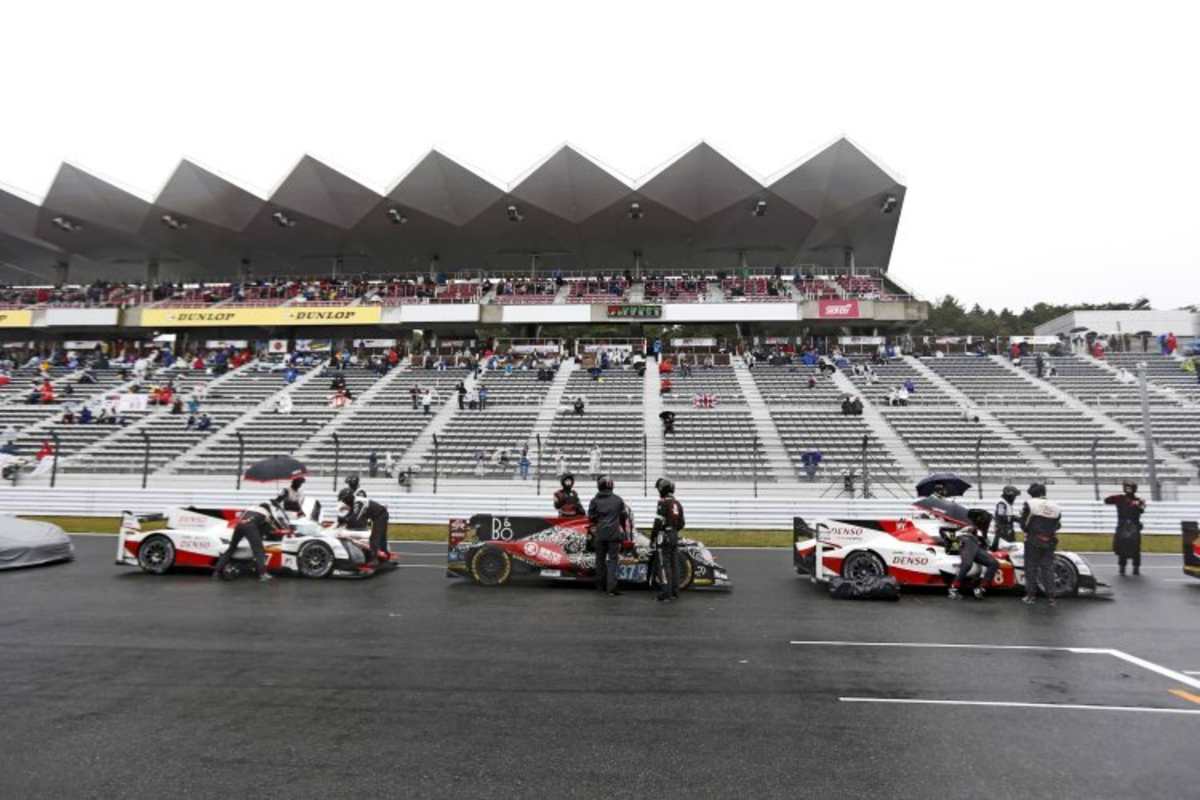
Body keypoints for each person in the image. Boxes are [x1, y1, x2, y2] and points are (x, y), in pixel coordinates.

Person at [212, 497, 291, 582]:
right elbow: (269, 530)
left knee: (231, 548)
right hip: (250, 527)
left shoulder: (249, 509)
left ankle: (216, 572)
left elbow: (240, 519)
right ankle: (263, 574)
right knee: (259, 551)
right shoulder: (266, 513)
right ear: (268, 508)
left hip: (239, 526)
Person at [1019, 483, 1062, 605]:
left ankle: (1031, 596)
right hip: (1050, 540)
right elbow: (1058, 525)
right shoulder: (1056, 506)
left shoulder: (1030, 504)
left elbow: (1024, 525)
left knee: (1031, 568)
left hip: (1033, 540)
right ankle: (1051, 598)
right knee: (1047, 568)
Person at [588, 475, 629, 596]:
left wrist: (599, 521)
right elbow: (623, 517)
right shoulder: (618, 500)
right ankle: (611, 588)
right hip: (614, 534)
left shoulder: (594, 500)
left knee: (599, 560)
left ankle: (600, 586)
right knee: (612, 561)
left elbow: (591, 517)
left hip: (600, 534)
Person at [948, 509, 999, 599]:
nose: (987, 523)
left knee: (994, 563)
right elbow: (955, 536)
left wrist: (997, 535)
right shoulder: (966, 526)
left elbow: (990, 547)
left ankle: (981, 588)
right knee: (967, 564)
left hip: (974, 545)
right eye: (986, 521)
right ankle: (953, 589)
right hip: (966, 541)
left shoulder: (982, 532)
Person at [341, 478, 390, 567]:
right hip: (380, 514)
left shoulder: (358, 502)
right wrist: (344, 518)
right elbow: (351, 514)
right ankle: (385, 556)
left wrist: (345, 520)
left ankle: (375, 560)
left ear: (348, 498)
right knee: (382, 538)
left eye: (344, 500)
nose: (343, 502)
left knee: (374, 537)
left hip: (380, 515)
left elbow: (356, 517)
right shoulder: (355, 502)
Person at [651, 478, 686, 602]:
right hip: (674, 535)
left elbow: (658, 522)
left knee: (663, 565)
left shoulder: (663, 502)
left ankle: (665, 593)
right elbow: (682, 523)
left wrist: (653, 537)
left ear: (663, 489)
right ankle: (675, 592)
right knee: (674, 564)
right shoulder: (678, 503)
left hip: (664, 536)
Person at [1105, 481, 1146, 576]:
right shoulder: (1120, 498)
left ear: (1134, 489)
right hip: (1122, 526)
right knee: (1121, 547)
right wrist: (1117, 498)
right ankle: (1122, 567)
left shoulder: (1138, 500)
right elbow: (1107, 500)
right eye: (1127, 488)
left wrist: (1137, 503)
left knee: (1136, 548)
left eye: (1130, 488)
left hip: (1134, 527)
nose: (1128, 490)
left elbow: (1142, 509)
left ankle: (1136, 567)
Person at [992, 485, 1020, 549]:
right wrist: (1013, 518)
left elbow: (1008, 516)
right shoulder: (1001, 504)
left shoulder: (1007, 503)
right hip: (1003, 531)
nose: (1014, 498)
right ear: (1009, 496)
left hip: (1008, 530)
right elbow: (1000, 517)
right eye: (1014, 496)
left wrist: (1018, 519)